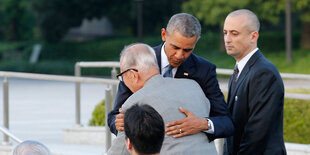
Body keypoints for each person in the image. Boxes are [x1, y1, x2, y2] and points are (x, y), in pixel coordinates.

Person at [108, 12, 234, 142]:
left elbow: (226, 122)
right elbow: (114, 116)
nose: (180, 55)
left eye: (187, 50)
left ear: (197, 41)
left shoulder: (204, 70)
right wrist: (119, 124)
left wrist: (202, 124)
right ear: (164, 35)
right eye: (175, 47)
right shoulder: (138, 60)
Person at [107, 43, 218, 154]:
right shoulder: (194, 86)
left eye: (122, 77)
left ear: (132, 75)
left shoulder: (135, 103)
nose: (123, 81)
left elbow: (120, 151)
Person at [223, 9, 286, 154]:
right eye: (225, 32)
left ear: (253, 36)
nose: (227, 39)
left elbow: (256, 135)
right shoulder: (240, 70)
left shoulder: (264, 73)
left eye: (234, 33)